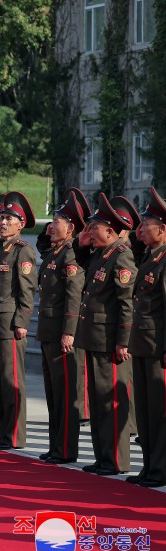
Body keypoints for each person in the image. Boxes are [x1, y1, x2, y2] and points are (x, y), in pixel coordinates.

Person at [75, 193, 137, 475]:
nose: (90, 232)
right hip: (94, 337)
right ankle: (102, 457)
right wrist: (82, 245)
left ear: (110, 231)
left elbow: (126, 304)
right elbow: (83, 267)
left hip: (111, 342)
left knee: (111, 402)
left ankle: (116, 460)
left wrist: (123, 341)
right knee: (99, 401)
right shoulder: (102, 255)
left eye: (94, 228)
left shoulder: (121, 258)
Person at [0, 192, 37, 450]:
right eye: (1, 217)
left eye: (9, 218)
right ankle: (4, 433)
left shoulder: (22, 251)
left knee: (11, 381)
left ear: (20, 224)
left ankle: (15, 435)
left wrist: (22, 321)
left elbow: (27, 291)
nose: (3, 222)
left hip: (10, 324)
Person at [35, 188, 87, 464]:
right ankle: (56, 446)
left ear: (71, 229)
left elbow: (73, 295)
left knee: (66, 394)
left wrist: (69, 331)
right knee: (53, 393)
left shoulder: (69, 256)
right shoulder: (55, 253)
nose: (51, 227)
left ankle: (66, 449)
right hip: (48, 332)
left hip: (61, 334)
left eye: (57, 223)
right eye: (52, 222)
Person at [129, 186, 166, 488]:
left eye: (145, 225)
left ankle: (159, 469)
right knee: (144, 410)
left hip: (157, 347)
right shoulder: (148, 257)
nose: (139, 230)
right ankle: (148, 466)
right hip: (141, 343)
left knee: (158, 412)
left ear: (162, 230)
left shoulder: (164, 261)